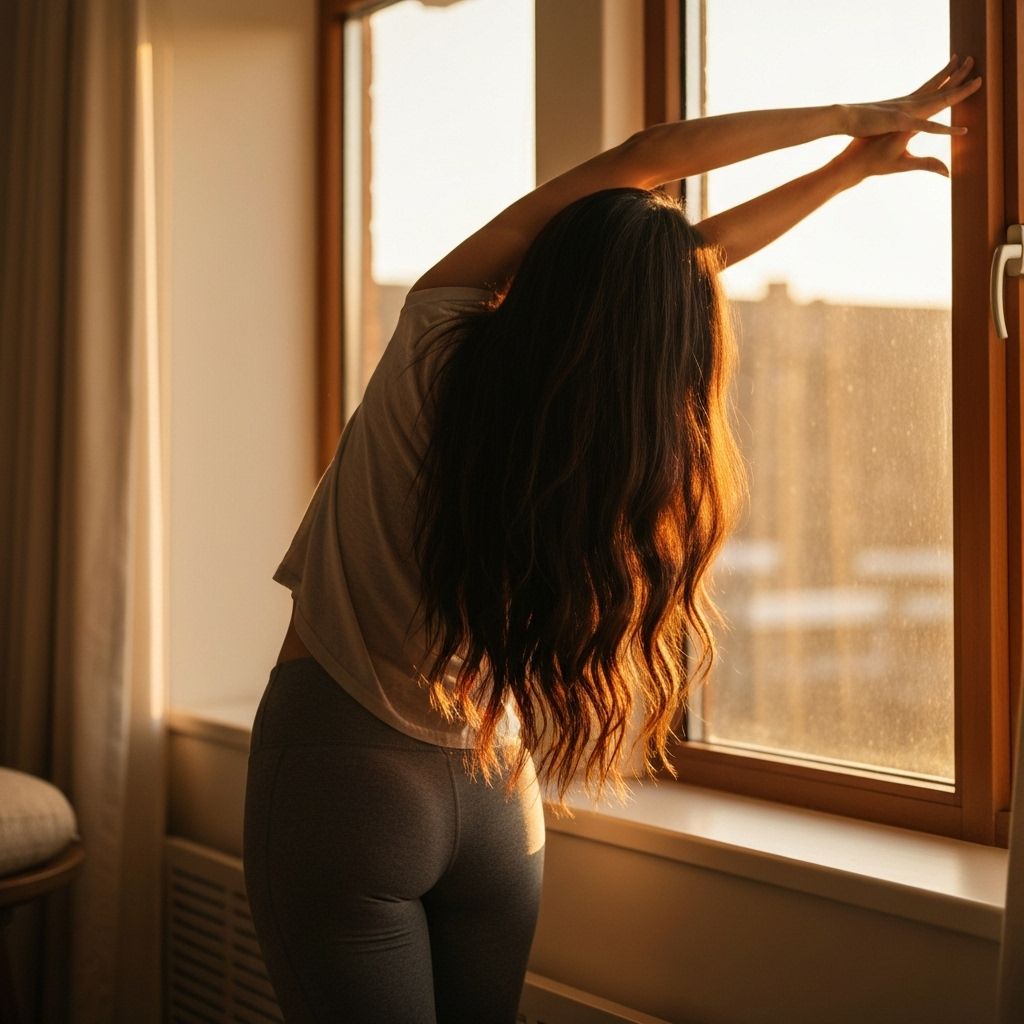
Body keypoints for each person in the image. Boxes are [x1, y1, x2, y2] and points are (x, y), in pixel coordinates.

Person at [243, 56, 981, 1024]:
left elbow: (646, 159)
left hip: (344, 769)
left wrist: (848, 123)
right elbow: (684, 271)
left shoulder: (435, 341)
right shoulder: (615, 446)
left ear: (542, 272)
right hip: (498, 798)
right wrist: (843, 176)